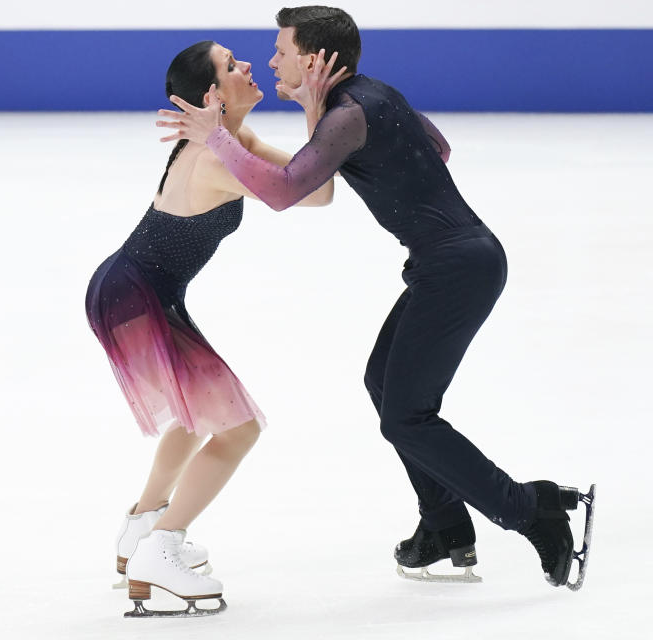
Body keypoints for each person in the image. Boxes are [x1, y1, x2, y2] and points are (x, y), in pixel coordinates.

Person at [156, 6, 595, 590]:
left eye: (281, 50)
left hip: (458, 268)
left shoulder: (350, 113)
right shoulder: (366, 99)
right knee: (384, 384)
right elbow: (435, 147)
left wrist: (218, 137)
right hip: (448, 261)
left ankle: (531, 510)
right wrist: (328, 123)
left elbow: (286, 193)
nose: (271, 60)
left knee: (406, 417)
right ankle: (444, 526)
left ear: (314, 60)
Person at [86, 40, 334, 617]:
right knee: (238, 428)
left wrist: (313, 107)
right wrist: (315, 109)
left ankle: (141, 530)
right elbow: (314, 190)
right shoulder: (217, 159)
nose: (248, 66)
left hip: (138, 292)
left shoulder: (228, 142)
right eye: (231, 66)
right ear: (211, 97)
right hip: (135, 296)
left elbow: (314, 186)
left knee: (203, 416)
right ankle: (161, 548)